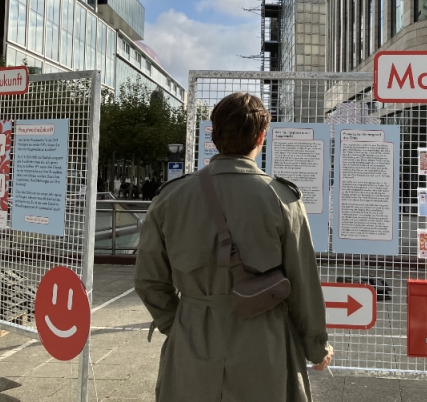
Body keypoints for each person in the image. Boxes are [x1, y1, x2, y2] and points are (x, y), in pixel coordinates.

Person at [134, 92, 332, 402]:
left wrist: (179, 323)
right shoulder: (282, 198)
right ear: (261, 137)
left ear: (214, 135)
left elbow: (148, 279)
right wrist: (316, 346)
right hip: (264, 342)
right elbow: (302, 283)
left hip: (192, 338)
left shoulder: (170, 198)